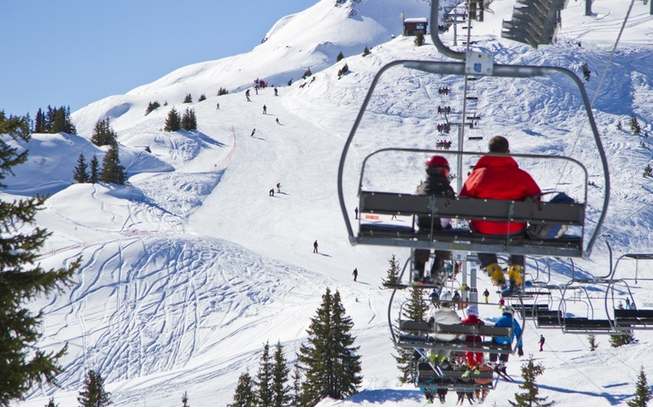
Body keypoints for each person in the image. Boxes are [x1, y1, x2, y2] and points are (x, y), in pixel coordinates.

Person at [460, 136, 541, 294]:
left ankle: (496, 275)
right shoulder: (521, 176)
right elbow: (536, 198)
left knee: (481, 240)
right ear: (508, 152)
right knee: (518, 243)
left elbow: (463, 199)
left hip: (484, 230)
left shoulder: (478, 175)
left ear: (489, 152)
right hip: (514, 230)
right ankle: (516, 279)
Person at [414, 155, 455, 283]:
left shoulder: (422, 187)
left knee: (423, 234)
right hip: (440, 226)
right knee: (446, 235)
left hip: (423, 224)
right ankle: (436, 271)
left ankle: (418, 272)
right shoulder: (446, 188)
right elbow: (453, 207)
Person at [490, 307, 523, 372]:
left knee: (494, 344)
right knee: (507, 346)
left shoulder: (499, 320)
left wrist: (493, 339)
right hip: (508, 341)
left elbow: (494, 330)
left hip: (497, 341)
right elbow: (519, 334)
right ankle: (502, 363)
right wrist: (520, 347)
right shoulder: (514, 321)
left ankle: (493, 362)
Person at [461, 304, 485, 378]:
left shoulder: (465, 321)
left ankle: (470, 366)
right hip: (478, 341)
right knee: (479, 352)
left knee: (469, 352)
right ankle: (477, 368)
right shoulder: (479, 322)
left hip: (468, 341)